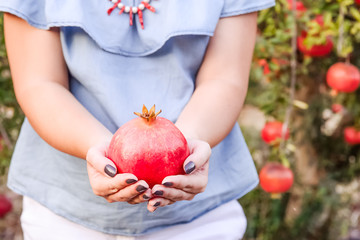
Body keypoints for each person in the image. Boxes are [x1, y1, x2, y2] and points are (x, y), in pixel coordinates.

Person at [1, 0, 275, 239]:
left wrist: (184, 148)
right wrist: (103, 151)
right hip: (65, 212)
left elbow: (224, 79)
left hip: (199, 219)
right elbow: (39, 83)